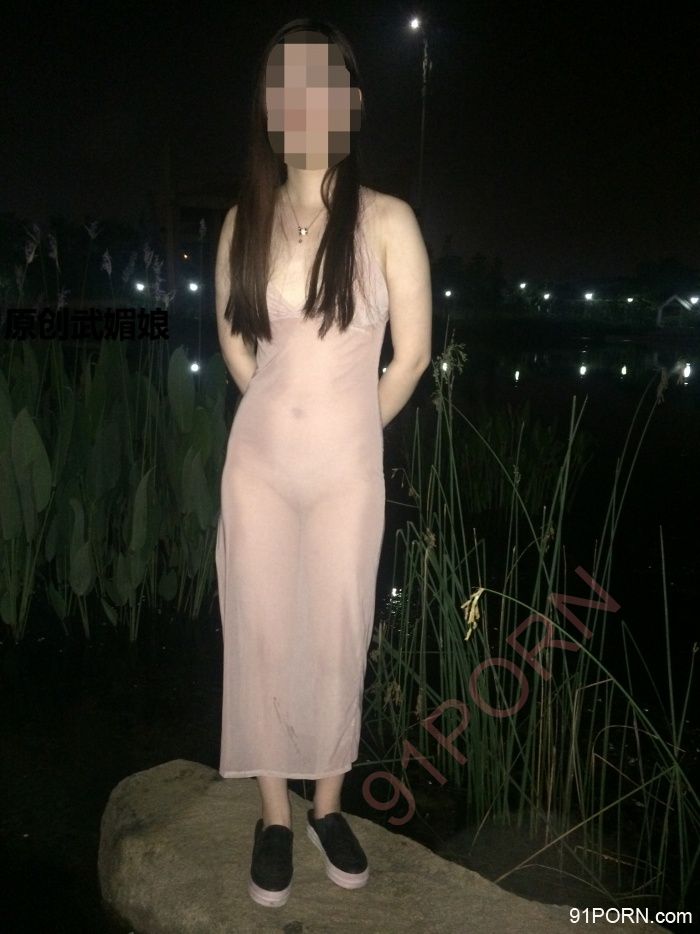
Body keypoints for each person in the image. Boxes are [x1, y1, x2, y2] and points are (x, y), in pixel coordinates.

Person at [214, 17, 432, 908]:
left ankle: (327, 806)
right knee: (260, 632)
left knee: (341, 632)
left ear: (351, 102)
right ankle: (275, 816)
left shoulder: (387, 221)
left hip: (347, 473)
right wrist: (280, 416)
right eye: (286, 85)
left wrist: (346, 431)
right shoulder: (245, 221)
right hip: (257, 469)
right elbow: (237, 345)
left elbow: (411, 357)